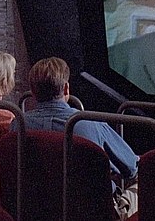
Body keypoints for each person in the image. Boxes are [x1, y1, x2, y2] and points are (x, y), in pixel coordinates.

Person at [14, 57, 139, 220]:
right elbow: (131, 168)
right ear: (66, 88)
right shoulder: (91, 123)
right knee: (146, 180)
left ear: (32, 90)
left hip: (35, 212)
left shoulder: (17, 126)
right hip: (93, 214)